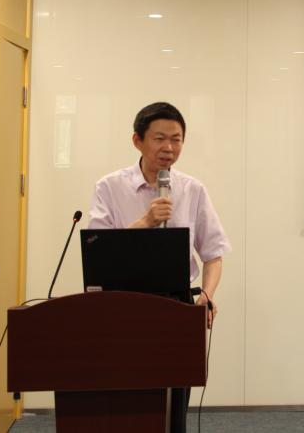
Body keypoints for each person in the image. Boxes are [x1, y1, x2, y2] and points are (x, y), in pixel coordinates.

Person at [87, 101, 230, 433]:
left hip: (177, 304)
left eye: (177, 139)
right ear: (137, 140)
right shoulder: (109, 187)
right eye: (160, 138)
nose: (169, 148)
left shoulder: (193, 189)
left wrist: (207, 295)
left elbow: (214, 253)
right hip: (122, 303)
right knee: (126, 398)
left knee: (175, 402)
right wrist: (145, 221)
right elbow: (98, 249)